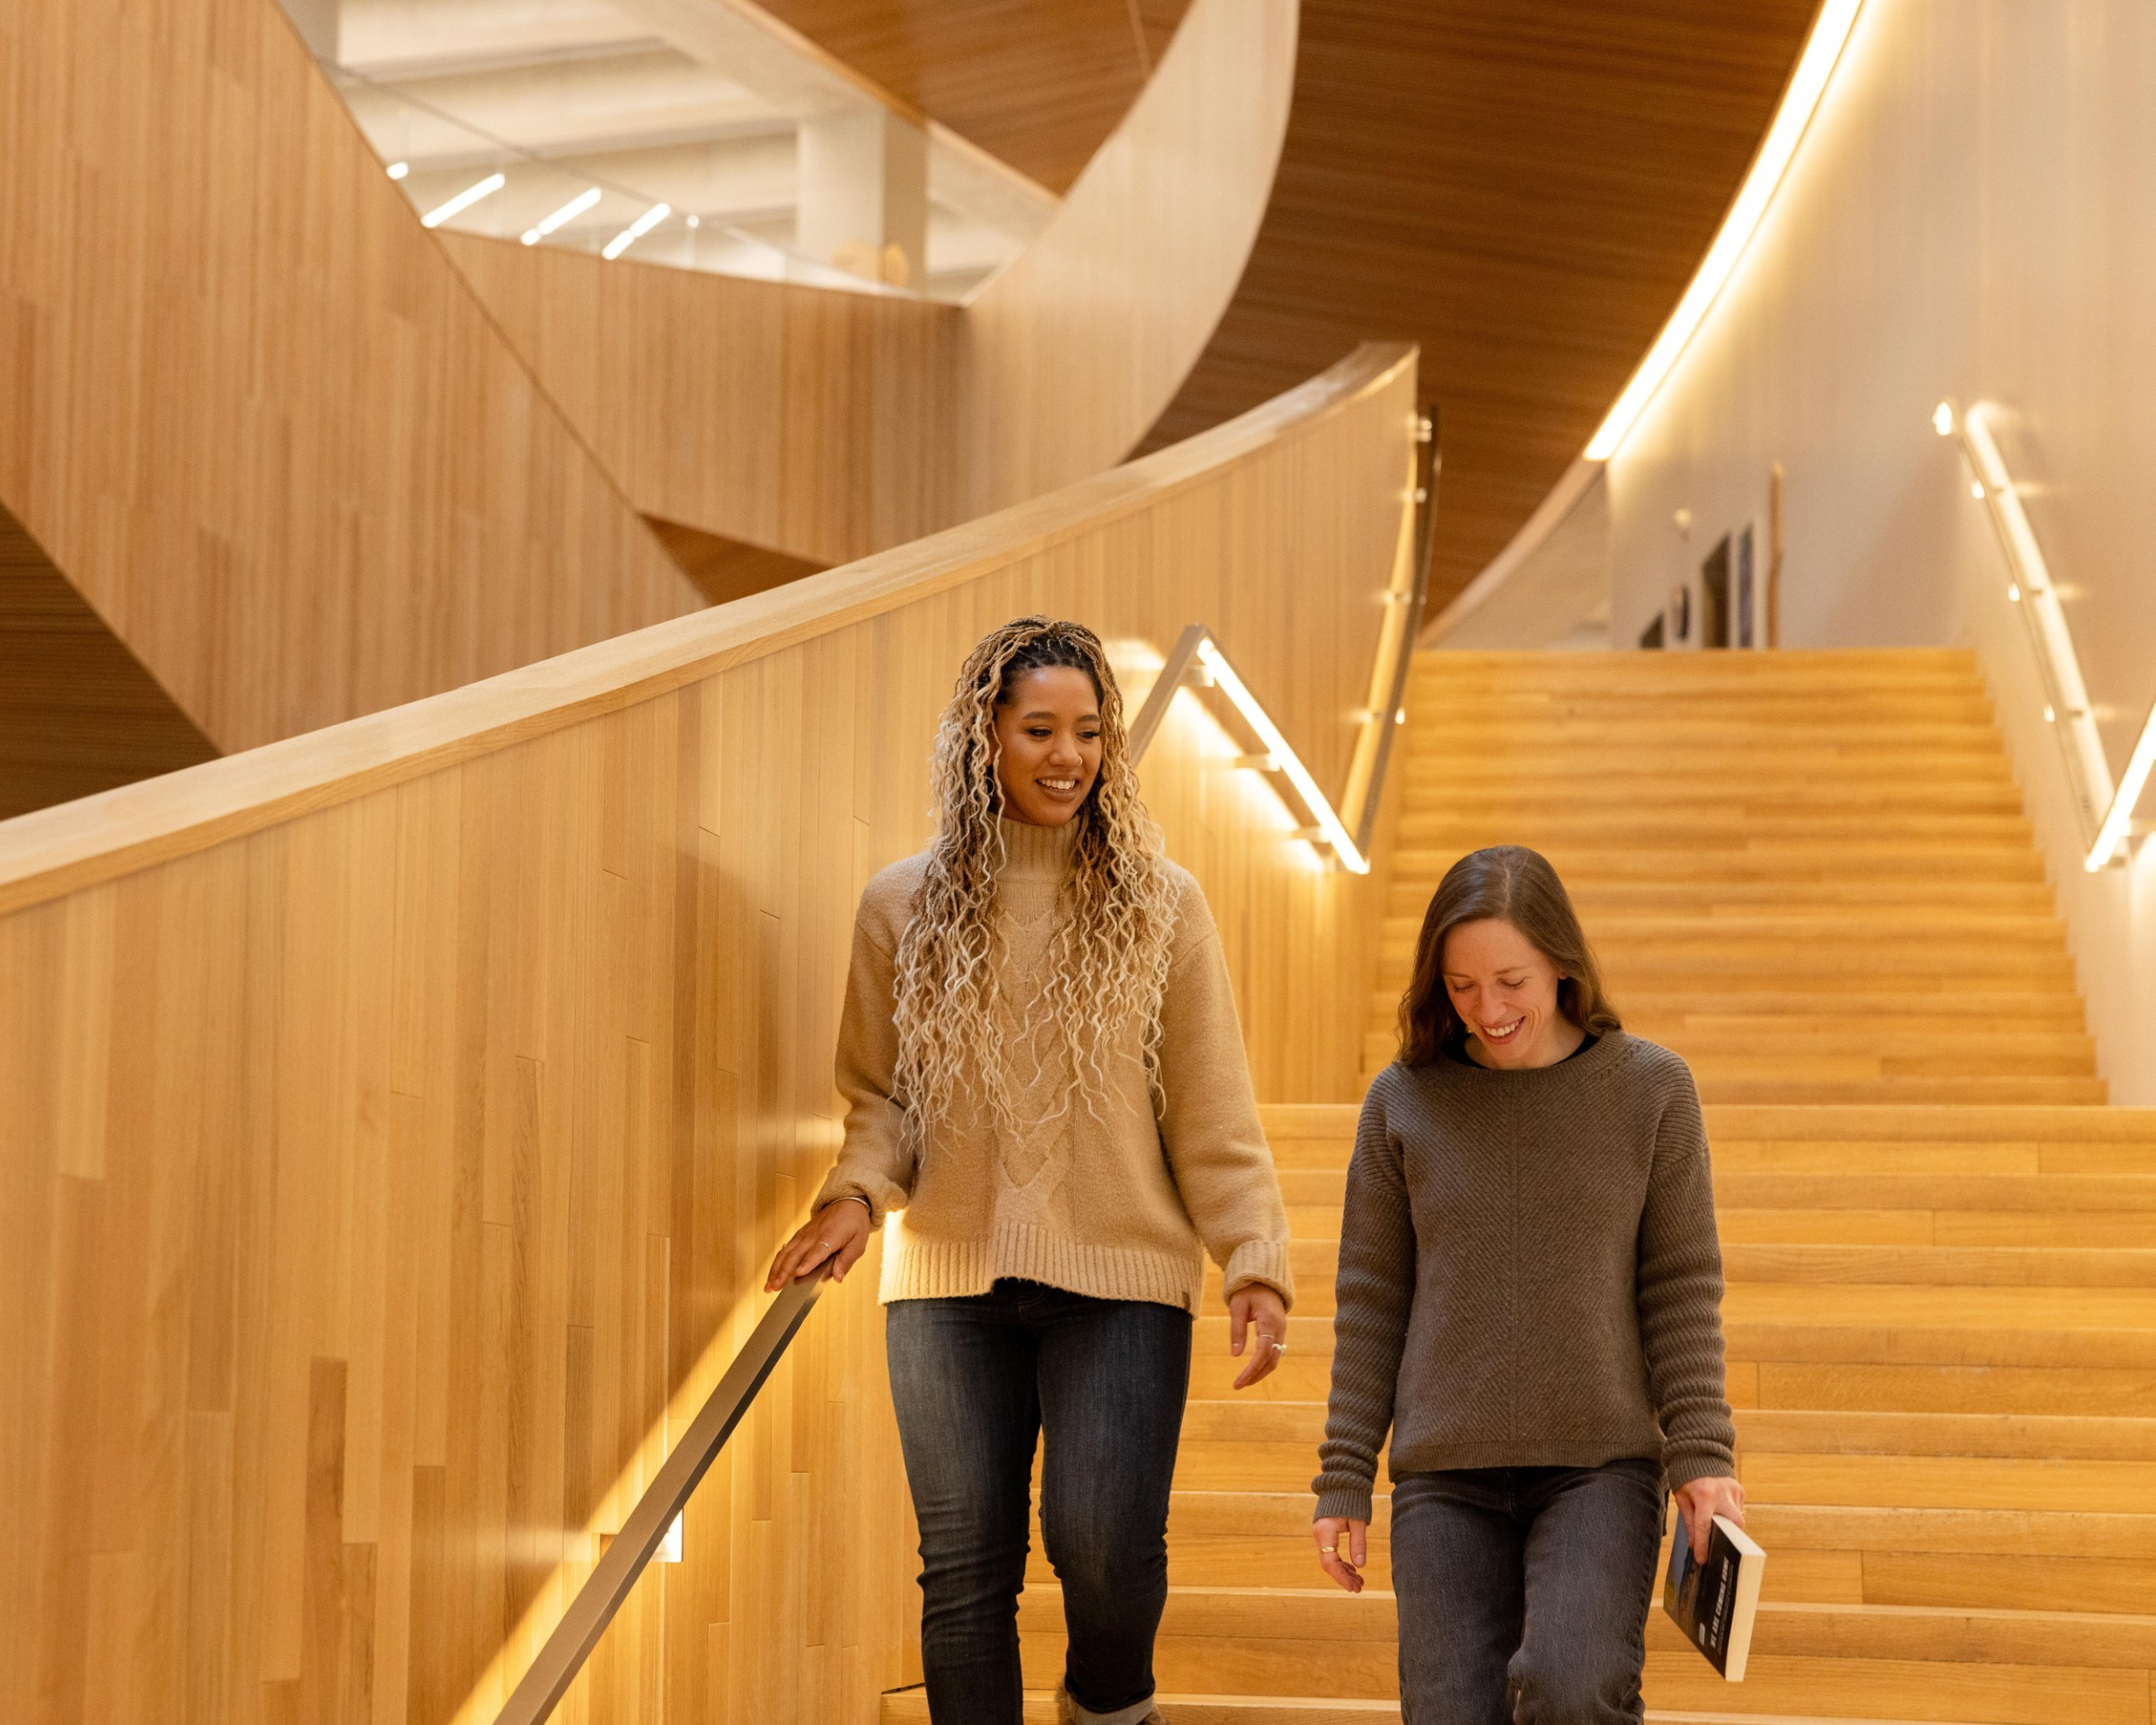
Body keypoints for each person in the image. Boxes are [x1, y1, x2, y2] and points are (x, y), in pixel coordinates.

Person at [767, 615, 1295, 1725]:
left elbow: (1212, 1107)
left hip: (1124, 1276)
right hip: (947, 1280)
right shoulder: (899, 906)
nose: (1069, 756)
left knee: (1100, 1544)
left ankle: (1109, 1705)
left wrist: (1252, 1254)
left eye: (1090, 732)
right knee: (964, 1571)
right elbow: (880, 1096)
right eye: (1041, 729)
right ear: (984, 739)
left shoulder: (1164, 903)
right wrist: (856, 1196)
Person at [1310, 845, 1742, 1724]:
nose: (1487, 1010)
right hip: (1444, 1474)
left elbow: (1681, 1283)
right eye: (1461, 987)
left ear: (1560, 962)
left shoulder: (1653, 1090)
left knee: (1573, 1687)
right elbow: (1371, 1300)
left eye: (1510, 980)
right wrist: (1343, 1475)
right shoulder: (1402, 1102)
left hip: (1599, 1465)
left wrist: (1702, 1452)